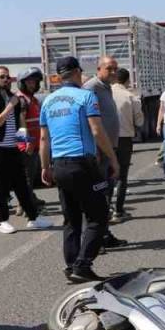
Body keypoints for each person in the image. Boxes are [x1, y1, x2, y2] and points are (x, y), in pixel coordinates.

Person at [40, 56, 120, 283]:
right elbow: (97, 130)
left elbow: (44, 139)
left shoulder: (49, 101)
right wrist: (113, 159)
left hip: (59, 164)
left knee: (71, 218)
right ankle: (83, 265)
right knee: (99, 216)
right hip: (82, 164)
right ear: (76, 72)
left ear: (58, 75)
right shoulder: (86, 96)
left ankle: (71, 265)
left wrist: (45, 167)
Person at [0, 66, 52, 234]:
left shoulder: (13, 97)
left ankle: (33, 218)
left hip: (13, 148)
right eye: (2, 77)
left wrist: (25, 142)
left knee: (21, 184)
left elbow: (19, 124)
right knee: (1, 186)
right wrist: (9, 106)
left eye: (8, 77)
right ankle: (3, 221)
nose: (6, 80)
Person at [83, 56, 128, 249]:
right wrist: (96, 149)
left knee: (106, 195)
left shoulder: (106, 87)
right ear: (99, 68)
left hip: (109, 149)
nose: (113, 72)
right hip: (99, 152)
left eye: (115, 69)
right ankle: (93, 241)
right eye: (109, 69)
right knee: (97, 198)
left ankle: (104, 234)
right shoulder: (90, 87)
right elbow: (88, 122)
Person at [111, 67, 144, 221]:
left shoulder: (104, 93)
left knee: (107, 175)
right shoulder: (131, 96)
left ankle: (106, 210)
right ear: (127, 80)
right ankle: (118, 210)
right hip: (124, 139)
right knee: (121, 176)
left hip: (106, 139)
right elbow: (139, 121)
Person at [15, 68, 48, 210]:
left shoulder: (33, 99)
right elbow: (20, 121)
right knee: (26, 176)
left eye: (34, 81)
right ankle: (24, 205)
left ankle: (30, 198)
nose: (32, 84)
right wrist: (25, 141)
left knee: (31, 174)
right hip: (27, 144)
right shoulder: (21, 99)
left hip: (35, 143)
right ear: (22, 83)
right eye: (29, 81)